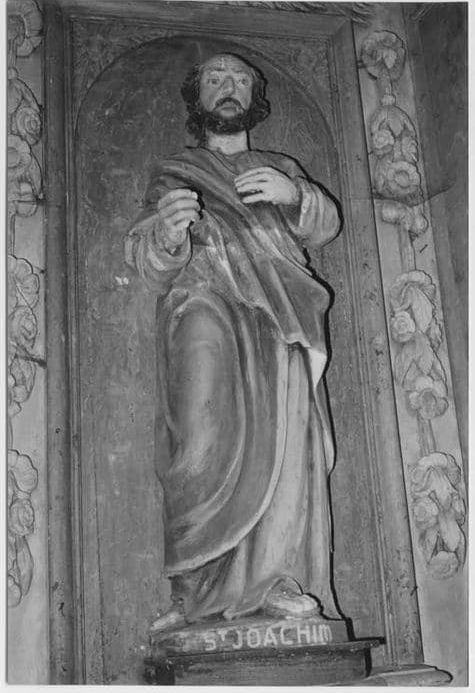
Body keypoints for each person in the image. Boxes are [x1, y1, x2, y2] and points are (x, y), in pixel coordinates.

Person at [125, 52, 341, 634]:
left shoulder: (279, 166)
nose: (228, 87)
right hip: (201, 301)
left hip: (277, 313)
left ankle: (277, 579)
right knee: (199, 436)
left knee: (284, 437)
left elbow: (324, 225)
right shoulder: (176, 170)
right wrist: (168, 233)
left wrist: (295, 194)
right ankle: (194, 588)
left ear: (254, 95)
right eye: (216, 79)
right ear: (197, 97)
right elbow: (148, 260)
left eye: (239, 79)